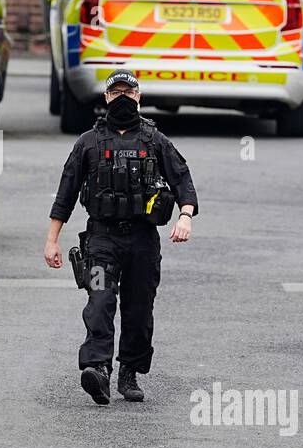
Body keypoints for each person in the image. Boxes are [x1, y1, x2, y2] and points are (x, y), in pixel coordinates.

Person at [44, 70, 198, 405]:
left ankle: (129, 371)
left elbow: (183, 181)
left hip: (143, 242)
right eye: (116, 93)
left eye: (129, 91)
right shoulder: (88, 142)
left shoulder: (155, 141)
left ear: (139, 97)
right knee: (99, 301)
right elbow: (65, 194)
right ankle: (98, 370)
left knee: (139, 310)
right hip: (101, 241)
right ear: (106, 98)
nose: (123, 97)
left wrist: (185, 216)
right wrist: (52, 240)